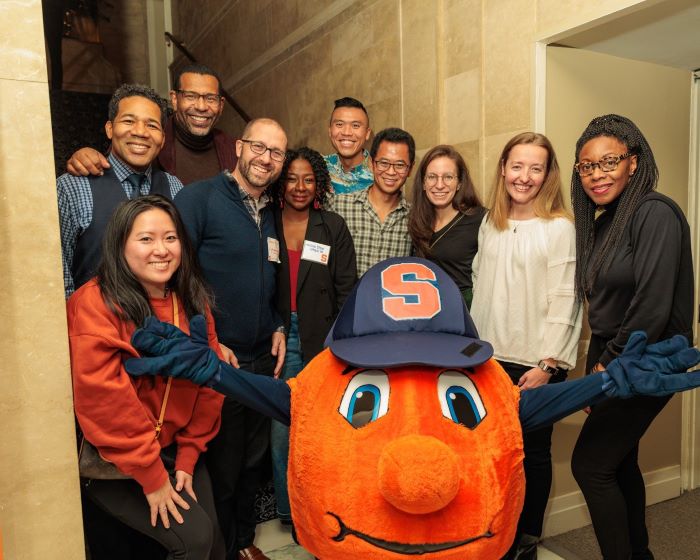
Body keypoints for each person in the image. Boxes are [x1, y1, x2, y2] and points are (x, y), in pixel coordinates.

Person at [68, 195, 225, 559]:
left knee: (215, 543)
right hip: (115, 459)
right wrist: (153, 479)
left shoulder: (190, 299)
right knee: (195, 539)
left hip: (174, 445)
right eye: (146, 239)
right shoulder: (94, 304)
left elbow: (213, 380)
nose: (162, 250)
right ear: (120, 244)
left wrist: (188, 454)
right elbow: (105, 401)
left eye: (171, 238)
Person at [569, 114, 693, 560]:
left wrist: (609, 365)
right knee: (618, 461)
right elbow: (603, 310)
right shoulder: (606, 223)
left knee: (590, 465)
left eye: (609, 162)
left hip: (646, 359)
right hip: (615, 355)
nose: (597, 174)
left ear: (633, 163)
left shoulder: (654, 212)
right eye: (587, 166)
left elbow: (653, 303)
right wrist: (592, 366)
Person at [174, 117, 288, 560]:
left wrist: (279, 324)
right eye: (259, 147)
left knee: (251, 462)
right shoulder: (199, 198)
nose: (266, 158)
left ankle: (242, 543)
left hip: (262, 359)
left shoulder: (271, 210)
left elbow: (270, 276)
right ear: (239, 146)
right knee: (221, 464)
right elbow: (178, 276)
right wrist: (206, 338)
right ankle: (220, 549)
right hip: (221, 360)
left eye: (276, 152)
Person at [470, 132, 582, 560]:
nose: (525, 176)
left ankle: (525, 542)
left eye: (536, 168)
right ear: (503, 169)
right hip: (487, 362)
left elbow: (566, 300)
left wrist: (548, 365)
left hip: (535, 363)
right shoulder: (490, 223)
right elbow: (481, 288)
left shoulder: (559, 228)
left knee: (532, 455)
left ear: (547, 174)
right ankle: (491, 533)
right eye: (517, 166)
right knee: (490, 453)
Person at [268, 146, 357, 525]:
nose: (300, 187)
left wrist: (340, 344)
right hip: (278, 336)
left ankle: (323, 505)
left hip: (322, 337)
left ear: (318, 183)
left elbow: (346, 289)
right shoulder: (264, 221)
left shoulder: (332, 225)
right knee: (281, 426)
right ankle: (289, 510)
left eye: (308, 179)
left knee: (323, 425)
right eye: (291, 178)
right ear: (279, 182)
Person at [57, 83, 183, 298]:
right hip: (95, 325)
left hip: (159, 326)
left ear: (162, 138)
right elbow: (58, 271)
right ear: (109, 128)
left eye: (152, 125)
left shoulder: (175, 188)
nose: (140, 132)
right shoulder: (74, 186)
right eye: (129, 121)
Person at [65, 64, 237, 185]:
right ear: (175, 99)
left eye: (210, 99)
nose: (201, 107)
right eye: (190, 96)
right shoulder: (151, 138)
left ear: (221, 105)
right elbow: (114, 164)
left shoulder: (233, 149)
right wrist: (85, 155)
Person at [328, 127, 415, 276]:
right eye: (383, 163)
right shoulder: (338, 206)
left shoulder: (414, 218)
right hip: (348, 299)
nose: (391, 172)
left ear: (410, 169)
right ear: (372, 164)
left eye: (400, 165)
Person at [408, 144, 485, 308]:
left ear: (459, 183)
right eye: (432, 177)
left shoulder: (480, 220)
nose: (440, 185)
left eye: (448, 177)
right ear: (423, 183)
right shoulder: (417, 220)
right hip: (426, 313)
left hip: (464, 315)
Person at [324, 97, 373, 194]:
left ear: (367, 133)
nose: (346, 133)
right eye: (339, 124)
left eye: (355, 126)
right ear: (330, 131)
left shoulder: (380, 172)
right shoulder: (318, 168)